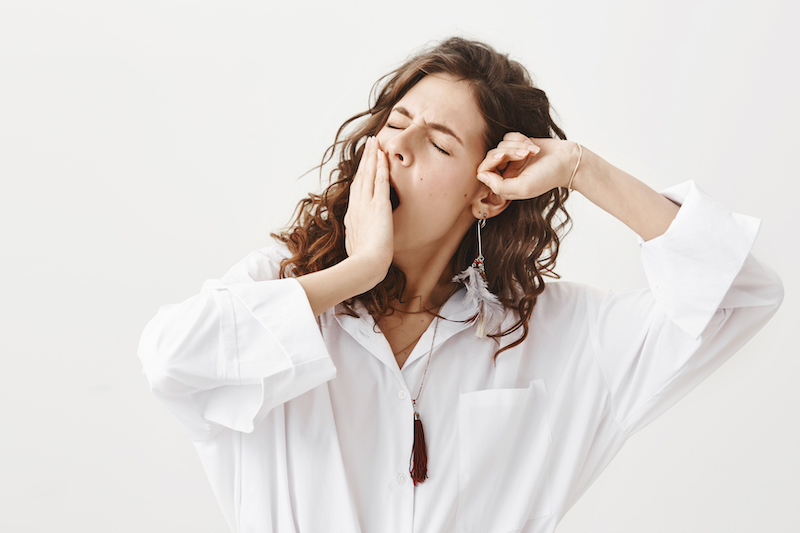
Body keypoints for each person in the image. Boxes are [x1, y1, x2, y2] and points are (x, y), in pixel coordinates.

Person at [137, 37, 783, 533]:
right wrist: (357, 269)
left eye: (439, 142)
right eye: (397, 122)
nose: (401, 145)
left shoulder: (555, 336)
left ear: (486, 191)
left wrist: (579, 168)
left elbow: (740, 294)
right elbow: (170, 359)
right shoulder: (286, 287)